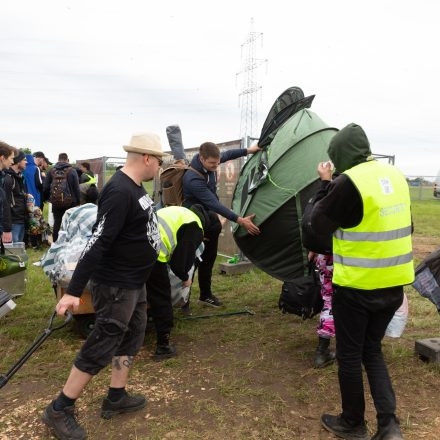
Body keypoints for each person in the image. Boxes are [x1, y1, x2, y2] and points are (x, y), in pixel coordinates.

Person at [41, 132, 167, 440]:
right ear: (147, 159)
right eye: (159, 161)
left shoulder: (136, 188)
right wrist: (72, 292)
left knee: (132, 335)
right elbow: (97, 243)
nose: (160, 167)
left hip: (135, 283)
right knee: (102, 343)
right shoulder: (119, 191)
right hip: (116, 284)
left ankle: (116, 396)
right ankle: (60, 408)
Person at [311, 124, 412, 440]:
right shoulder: (396, 176)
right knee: (373, 351)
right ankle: (389, 426)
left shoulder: (348, 182)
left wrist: (324, 185)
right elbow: (404, 225)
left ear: (340, 156)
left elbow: (315, 227)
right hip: (393, 286)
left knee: (351, 355)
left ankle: (353, 422)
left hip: (357, 288)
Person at [182, 141, 261, 307]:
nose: (216, 166)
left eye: (217, 162)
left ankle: (205, 295)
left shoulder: (213, 160)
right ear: (202, 159)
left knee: (209, 259)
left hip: (210, 222)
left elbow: (229, 154)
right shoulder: (192, 178)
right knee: (192, 262)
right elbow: (214, 204)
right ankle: (183, 299)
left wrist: (249, 150)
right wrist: (240, 220)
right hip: (195, 225)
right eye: (212, 163)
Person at [147, 204, 208, 360]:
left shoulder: (179, 212)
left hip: (135, 245)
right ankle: (163, 346)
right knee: (162, 298)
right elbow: (179, 262)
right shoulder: (196, 226)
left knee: (140, 294)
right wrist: (186, 278)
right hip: (153, 253)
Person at [43, 153, 81, 242]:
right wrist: (78, 202)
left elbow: (45, 187)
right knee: (70, 223)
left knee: (57, 222)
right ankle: (68, 242)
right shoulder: (72, 171)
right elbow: (76, 188)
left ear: (58, 159)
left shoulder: (51, 171)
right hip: (71, 202)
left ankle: (55, 243)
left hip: (56, 201)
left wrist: (47, 198)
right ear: (67, 160)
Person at [2, 150, 28, 243]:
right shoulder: (8, 179)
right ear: (18, 161)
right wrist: (7, 227)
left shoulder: (19, 177)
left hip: (20, 219)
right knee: (12, 253)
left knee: (18, 250)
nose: (26, 162)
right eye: (24, 159)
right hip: (13, 222)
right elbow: (5, 204)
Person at [0, 142, 16, 245]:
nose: (13, 161)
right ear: (2, 158)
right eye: (11, 158)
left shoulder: (2, 177)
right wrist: (6, 229)